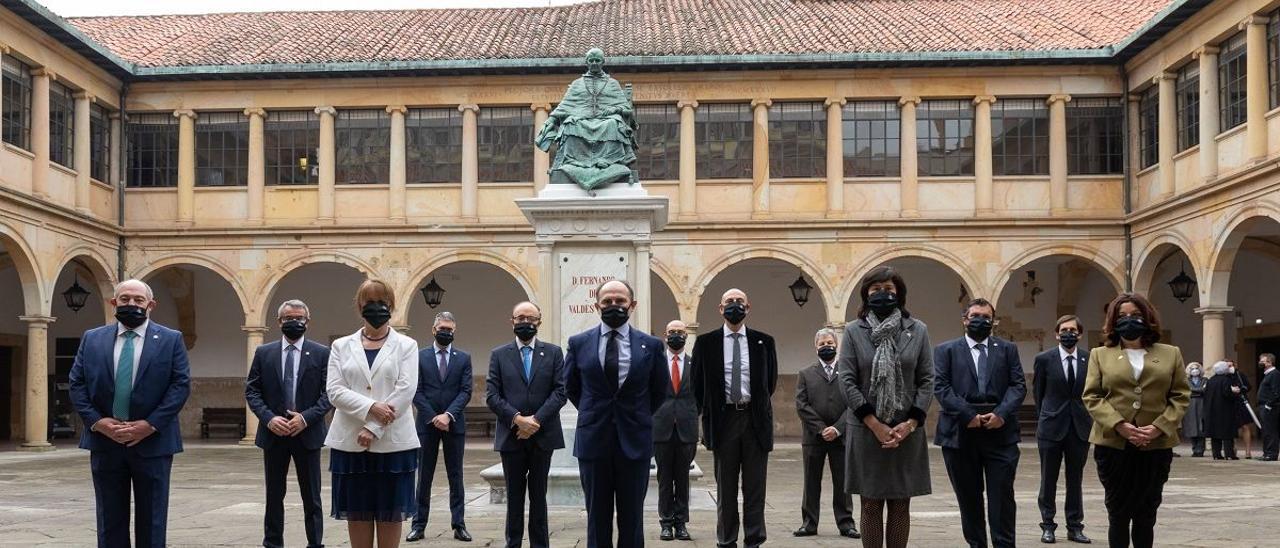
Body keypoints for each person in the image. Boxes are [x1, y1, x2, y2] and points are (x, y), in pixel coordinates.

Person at [68, 279, 191, 548]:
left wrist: (149, 425)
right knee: (109, 518)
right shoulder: (92, 338)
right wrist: (98, 423)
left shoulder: (171, 339)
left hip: (153, 442)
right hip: (105, 441)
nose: (131, 304)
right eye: (124, 299)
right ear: (114, 303)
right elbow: (77, 384)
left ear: (151, 305)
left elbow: (179, 386)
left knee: (153, 519)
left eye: (138, 300)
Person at [1081, 292, 1189, 548]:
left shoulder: (1170, 353)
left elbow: (1181, 395)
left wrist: (1159, 427)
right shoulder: (1100, 354)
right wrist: (1120, 425)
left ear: (1148, 317)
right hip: (1114, 445)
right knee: (1118, 514)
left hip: (1156, 446)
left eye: (1136, 315)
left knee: (1146, 514)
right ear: (1113, 321)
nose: (1129, 321)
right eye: (1122, 316)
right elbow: (1092, 396)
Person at [566, 280, 668, 548]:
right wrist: (596, 413)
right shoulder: (578, 343)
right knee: (596, 517)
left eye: (620, 301)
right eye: (608, 301)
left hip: (635, 441)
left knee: (632, 517)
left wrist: (635, 416)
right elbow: (572, 388)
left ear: (632, 305)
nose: (614, 306)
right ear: (596, 305)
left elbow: (659, 391)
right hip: (593, 440)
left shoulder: (651, 345)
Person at [838, 266, 933, 548]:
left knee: (901, 504)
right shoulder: (855, 332)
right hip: (867, 430)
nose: (883, 295)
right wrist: (875, 424)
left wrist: (910, 423)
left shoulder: (917, 330)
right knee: (869, 504)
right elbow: (847, 380)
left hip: (906, 431)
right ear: (866, 294)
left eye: (889, 290)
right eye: (876, 290)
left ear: (899, 294)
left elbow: (927, 379)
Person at [325, 279, 421, 548]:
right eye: (370, 302)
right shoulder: (341, 346)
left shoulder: (407, 345)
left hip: (393, 445)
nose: (377, 307)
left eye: (383, 302)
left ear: (391, 306)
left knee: (391, 513)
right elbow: (334, 390)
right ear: (359, 306)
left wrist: (373, 427)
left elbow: (405, 389)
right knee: (357, 512)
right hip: (351, 444)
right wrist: (370, 408)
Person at [690, 288, 779, 548]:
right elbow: (697, 385)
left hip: (754, 420)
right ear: (720, 308)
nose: (735, 306)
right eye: (729, 302)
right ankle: (726, 539)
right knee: (726, 489)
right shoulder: (706, 343)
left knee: (755, 488)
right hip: (723, 421)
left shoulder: (764, 342)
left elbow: (769, 383)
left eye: (740, 302)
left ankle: (754, 539)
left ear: (748, 307)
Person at [934, 298, 1026, 548]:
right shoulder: (946, 350)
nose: (980, 321)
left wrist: (1001, 414)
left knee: (1002, 497)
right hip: (960, 433)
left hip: (1000, 432)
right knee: (969, 498)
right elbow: (941, 387)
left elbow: (1018, 385)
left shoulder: (1007, 349)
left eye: (986, 317)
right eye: (975, 315)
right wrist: (968, 415)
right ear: (965, 319)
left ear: (993, 321)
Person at [245, 299, 333, 548]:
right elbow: (252, 391)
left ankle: (315, 543)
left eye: (299, 318)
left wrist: (305, 418)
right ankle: (273, 543)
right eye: (288, 318)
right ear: (279, 321)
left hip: (307, 434)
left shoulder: (321, 353)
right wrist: (269, 418)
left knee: (312, 496)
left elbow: (328, 394)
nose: (294, 322)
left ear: (307, 321)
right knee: (274, 495)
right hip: (274, 435)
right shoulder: (264, 352)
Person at [485, 301, 567, 548]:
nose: (525, 323)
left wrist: (536, 420)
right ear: (511, 321)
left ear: (539, 322)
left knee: (539, 496)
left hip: (543, 435)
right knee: (514, 496)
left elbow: (560, 391)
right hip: (512, 435)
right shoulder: (499, 354)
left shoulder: (553, 353)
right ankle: (513, 543)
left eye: (530, 319)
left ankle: (540, 544)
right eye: (520, 318)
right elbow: (492, 395)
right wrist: (518, 419)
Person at [407, 311, 473, 542]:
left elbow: (466, 391)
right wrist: (434, 417)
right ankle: (418, 525)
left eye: (450, 330)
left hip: (454, 425)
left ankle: (459, 525)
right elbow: (415, 390)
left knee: (456, 476)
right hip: (427, 425)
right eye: (442, 329)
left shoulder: (463, 358)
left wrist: (448, 415)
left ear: (454, 331)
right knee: (424, 476)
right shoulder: (419, 357)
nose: (446, 332)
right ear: (434, 330)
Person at [534, 48, 637, 190]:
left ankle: (607, 161)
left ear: (603, 62)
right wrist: (551, 120)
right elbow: (565, 105)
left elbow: (626, 109)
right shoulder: (577, 84)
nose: (594, 63)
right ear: (586, 62)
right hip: (581, 119)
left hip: (606, 120)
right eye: (591, 60)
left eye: (597, 60)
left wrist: (614, 109)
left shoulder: (612, 83)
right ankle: (575, 163)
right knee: (570, 124)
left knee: (614, 123)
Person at [1031, 315, 1092, 544]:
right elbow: (1038, 393)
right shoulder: (1044, 359)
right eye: (1064, 330)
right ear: (1056, 334)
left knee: (1075, 479)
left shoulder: (1089, 359)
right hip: (1051, 427)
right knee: (1048, 479)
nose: (1069, 333)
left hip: (1079, 427)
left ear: (1080, 334)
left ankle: (1075, 526)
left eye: (1073, 330)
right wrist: (1045, 417)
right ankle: (1047, 525)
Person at [794, 328, 858, 539]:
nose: (826, 347)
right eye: (822, 344)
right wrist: (822, 429)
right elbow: (802, 405)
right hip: (814, 438)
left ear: (837, 345)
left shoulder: (847, 373)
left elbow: (853, 403)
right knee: (811, 481)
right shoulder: (806, 374)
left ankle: (846, 523)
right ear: (816, 347)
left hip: (841, 437)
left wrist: (838, 428)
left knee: (843, 482)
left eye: (830, 343)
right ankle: (809, 523)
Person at [653, 320, 698, 542]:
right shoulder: (657, 364)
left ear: (686, 336)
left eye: (680, 332)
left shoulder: (694, 365)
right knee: (664, 478)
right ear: (665, 335)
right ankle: (666, 523)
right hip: (660, 429)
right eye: (672, 332)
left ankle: (681, 523)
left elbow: (700, 398)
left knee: (682, 478)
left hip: (686, 429)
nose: (676, 336)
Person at [1204, 361, 1240, 460]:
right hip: (1225, 411)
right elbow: (1227, 394)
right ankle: (1229, 454)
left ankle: (1216, 454)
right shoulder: (1226, 380)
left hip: (1212, 411)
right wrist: (1235, 392)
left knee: (1215, 434)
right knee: (1227, 434)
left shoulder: (1211, 380)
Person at [1229, 361, 1256, 459]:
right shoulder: (1223, 376)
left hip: (1241, 402)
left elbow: (1248, 386)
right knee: (1231, 428)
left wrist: (1240, 389)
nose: (1230, 367)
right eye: (1227, 366)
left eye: (1231, 365)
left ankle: (1248, 451)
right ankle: (1232, 449)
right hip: (1229, 403)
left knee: (1245, 426)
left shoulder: (1240, 375)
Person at [1182, 362, 1208, 457]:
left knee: (1201, 427)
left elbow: (1205, 390)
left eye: (1196, 368)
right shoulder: (1186, 380)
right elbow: (1188, 390)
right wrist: (1199, 390)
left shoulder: (1205, 379)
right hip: (1190, 405)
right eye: (1192, 368)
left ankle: (1200, 450)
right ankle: (1194, 449)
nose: (1195, 370)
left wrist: (1193, 390)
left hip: (1202, 404)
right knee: (1191, 427)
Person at [1258, 354, 1280, 461]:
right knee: (1265, 430)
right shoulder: (1267, 374)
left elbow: (1276, 392)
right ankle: (1266, 452)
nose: (1260, 363)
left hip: (1269, 407)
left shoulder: (1275, 374)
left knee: (1270, 430)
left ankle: (1271, 454)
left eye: (1263, 361)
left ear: (1269, 362)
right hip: (1263, 406)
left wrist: (1268, 405)